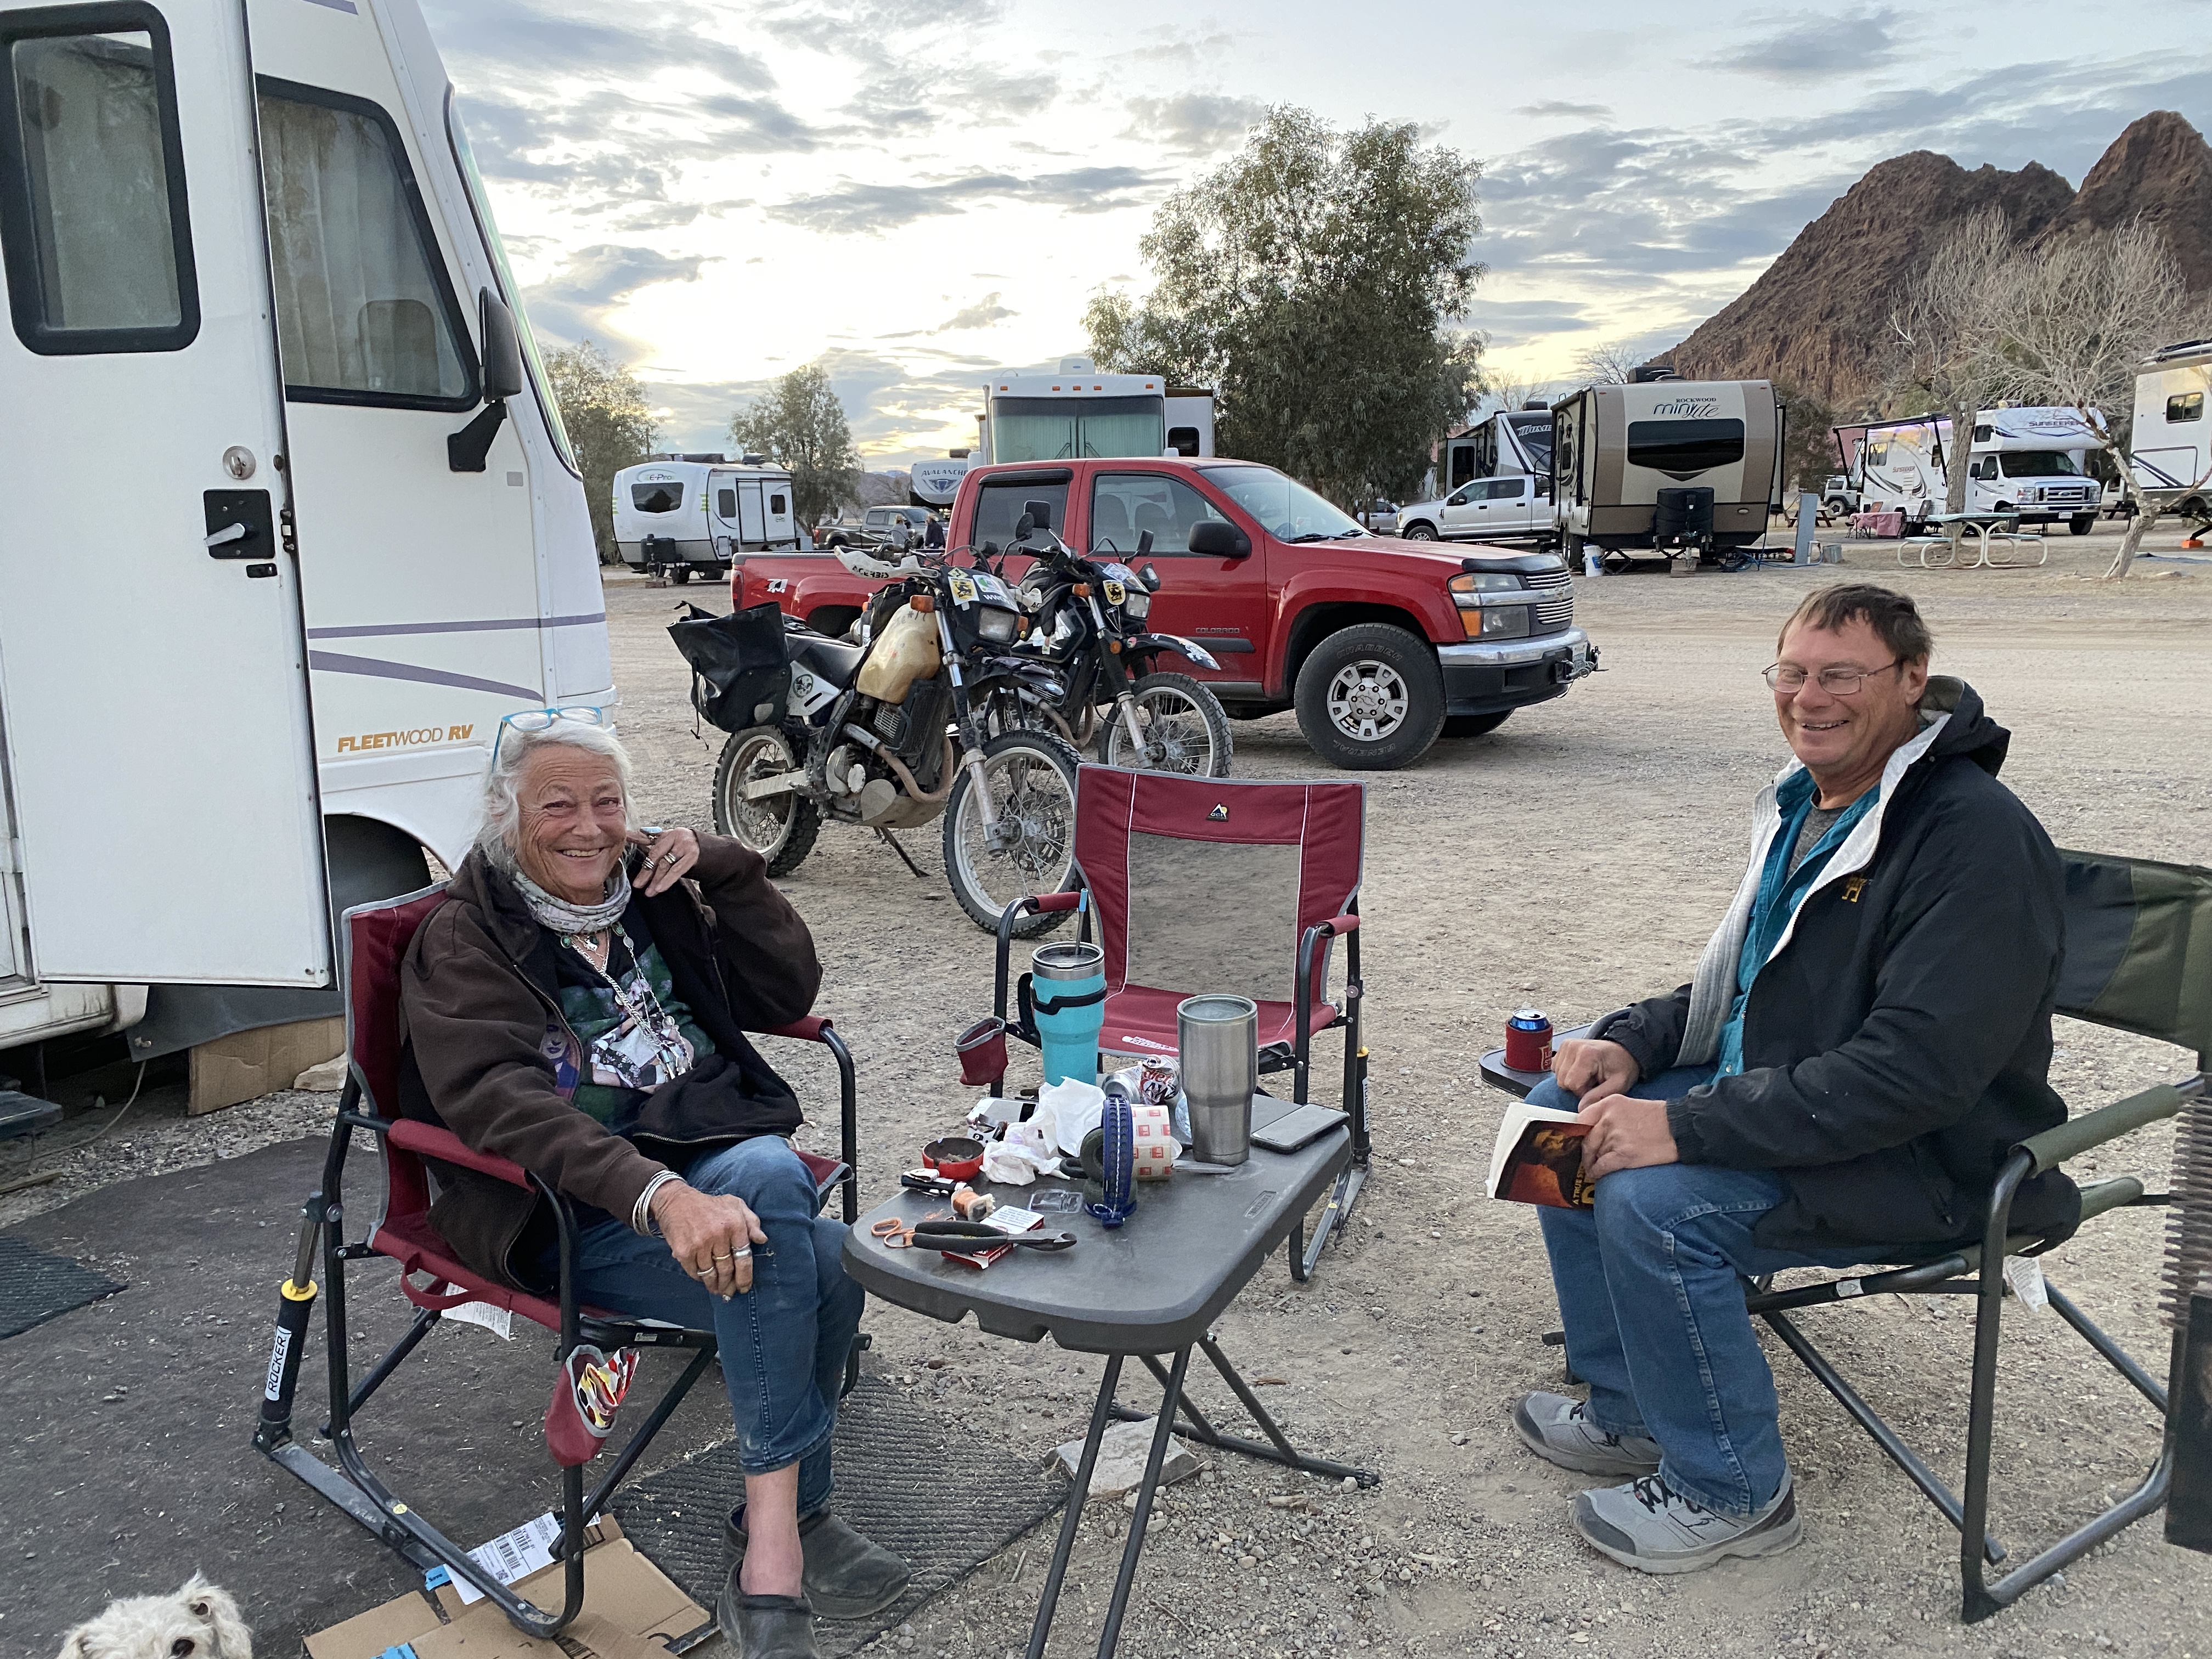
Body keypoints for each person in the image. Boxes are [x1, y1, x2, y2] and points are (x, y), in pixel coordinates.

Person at [1513, 583, 2075, 1575]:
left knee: (1651, 1201)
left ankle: (1733, 1490)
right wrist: (1634, 1044)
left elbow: (1918, 1074)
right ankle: (1633, 1408)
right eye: (1794, 673)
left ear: (1913, 679)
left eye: (1842, 676)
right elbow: (1749, 981)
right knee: (1564, 1115)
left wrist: (1686, 1129)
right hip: (1800, 1106)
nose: (1810, 699)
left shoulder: (1972, 837)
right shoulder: (1814, 805)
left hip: (1925, 1158)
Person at [398, 711, 906, 1656]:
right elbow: (500, 1102)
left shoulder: (649, 890)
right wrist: (660, 1197)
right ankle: (784, 1538)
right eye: (558, 805)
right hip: (570, 1211)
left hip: (710, 1148)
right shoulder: (467, 937)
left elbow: (787, 993)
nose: (589, 827)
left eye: (608, 802)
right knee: (821, 1256)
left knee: (780, 1199)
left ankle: (774, 1534)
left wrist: (730, 868)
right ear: (505, 815)